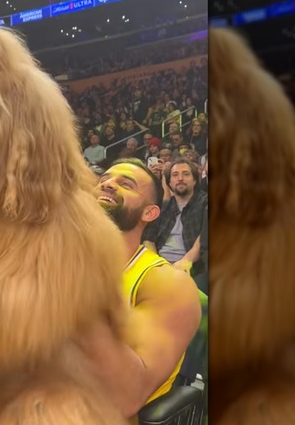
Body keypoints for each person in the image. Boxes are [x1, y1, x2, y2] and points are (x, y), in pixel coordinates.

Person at [80, 158, 201, 420]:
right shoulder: (61, 261)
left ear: (149, 213)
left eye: (126, 184)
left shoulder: (166, 283)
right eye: (104, 180)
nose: (109, 184)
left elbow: (126, 397)